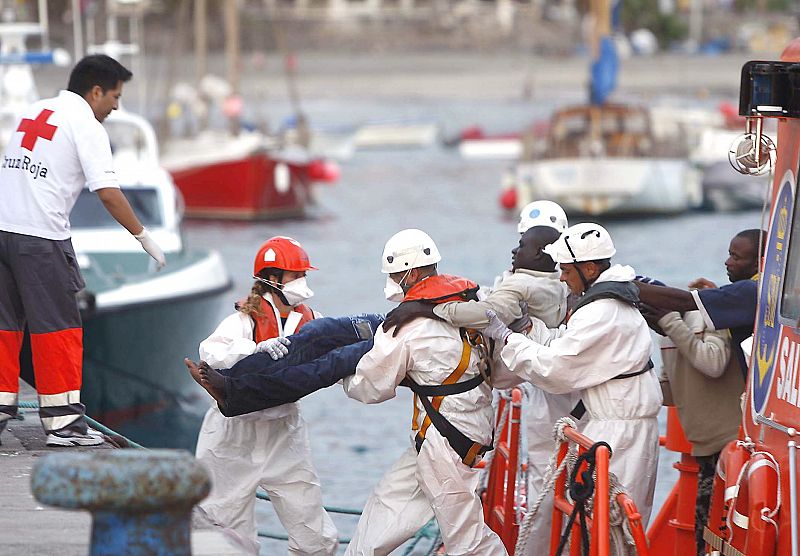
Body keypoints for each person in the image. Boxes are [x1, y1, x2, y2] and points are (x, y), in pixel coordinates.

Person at [381, 205, 573, 556]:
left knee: (546, 481)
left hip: (542, 391)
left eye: (523, 245)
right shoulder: (561, 286)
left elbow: (482, 314)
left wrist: (425, 307)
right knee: (565, 486)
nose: (515, 250)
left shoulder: (521, 283)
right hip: (558, 386)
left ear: (544, 253)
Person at [0, 54, 166, 447]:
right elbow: (107, 192)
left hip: (3, 231)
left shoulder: (33, 112)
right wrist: (144, 236)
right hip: (41, 239)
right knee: (58, 329)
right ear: (96, 92)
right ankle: (63, 425)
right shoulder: (85, 125)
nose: (116, 106)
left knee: (4, 329)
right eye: (115, 96)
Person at [342, 228, 507, 556]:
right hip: (451, 435)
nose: (393, 280)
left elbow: (370, 386)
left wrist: (338, 370)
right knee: (385, 508)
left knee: (467, 540)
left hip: (444, 442)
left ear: (411, 272)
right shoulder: (466, 303)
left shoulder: (409, 327)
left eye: (395, 274)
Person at [484, 222, 662, 525]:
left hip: (617, 434)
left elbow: (556, 369)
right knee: (607, 523)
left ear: (589, 269)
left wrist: (507, 337)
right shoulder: (611, 304)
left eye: (566, 271)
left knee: (609, 525)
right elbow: (565, 345)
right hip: (617, 428)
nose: (563, 279)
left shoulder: (601, 312)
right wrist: (530, 330)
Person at [192, 236, 337, 555]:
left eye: (303, 275)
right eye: (296, 275)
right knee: (225, 532)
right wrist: (253, 350)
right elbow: (210, 353)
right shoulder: (242, 321)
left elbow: (339, 356)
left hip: (284, 433)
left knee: (316, 537)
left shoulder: (313, 321)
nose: (302, 282)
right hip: (233, 437)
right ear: (272, 279)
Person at [635, 229, 764, 378]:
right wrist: (718, 298)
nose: (727, 262)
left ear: (757, 263)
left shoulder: (750, 290)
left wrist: (626, 284)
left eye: (736, 257)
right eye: (729, 254)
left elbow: (684, 301)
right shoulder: (766, 287)